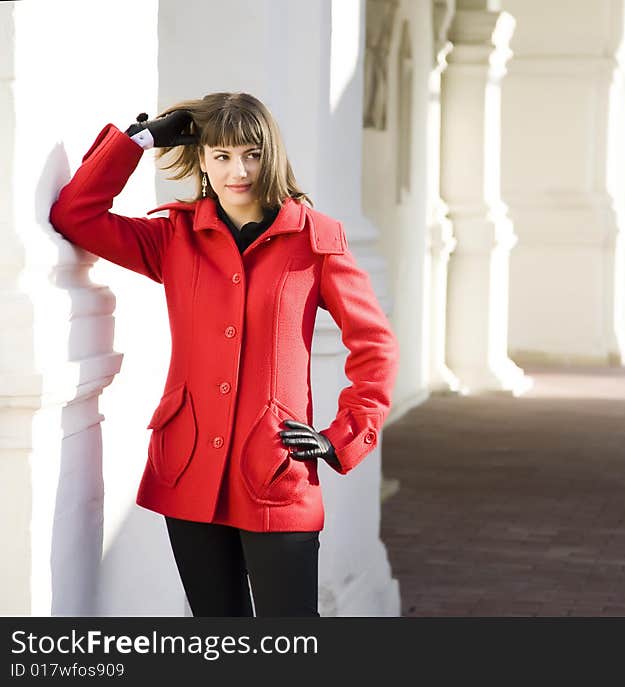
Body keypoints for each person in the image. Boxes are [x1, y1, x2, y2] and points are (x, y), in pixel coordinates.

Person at [48, 92, 399, 617]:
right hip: (189, 465)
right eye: (223, 155)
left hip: (276, 471)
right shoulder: (173, 237)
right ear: (203, 160)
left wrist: (342, 436)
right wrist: (141, 139)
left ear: (271, 157)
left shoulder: (316, 241)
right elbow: (76, 214)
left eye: (252, 154)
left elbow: (375, 345)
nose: (239, 170)